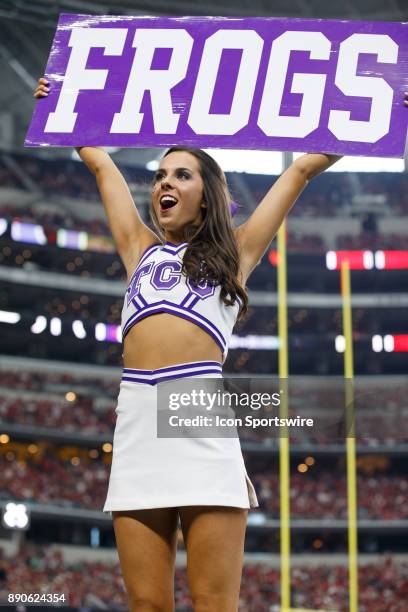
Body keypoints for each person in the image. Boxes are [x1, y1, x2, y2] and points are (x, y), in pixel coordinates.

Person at [34, 78, 408, 611]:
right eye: (160, 174)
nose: (165, 181)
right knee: (148, 606)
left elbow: (302, 167)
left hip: (196, 417)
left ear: (207, 195)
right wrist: (59, 100)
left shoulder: (236, 255)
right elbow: (99, 163)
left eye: (181, 174)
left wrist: (383, 112)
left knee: (214, 604)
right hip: (138, 421)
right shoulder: (138, 249)